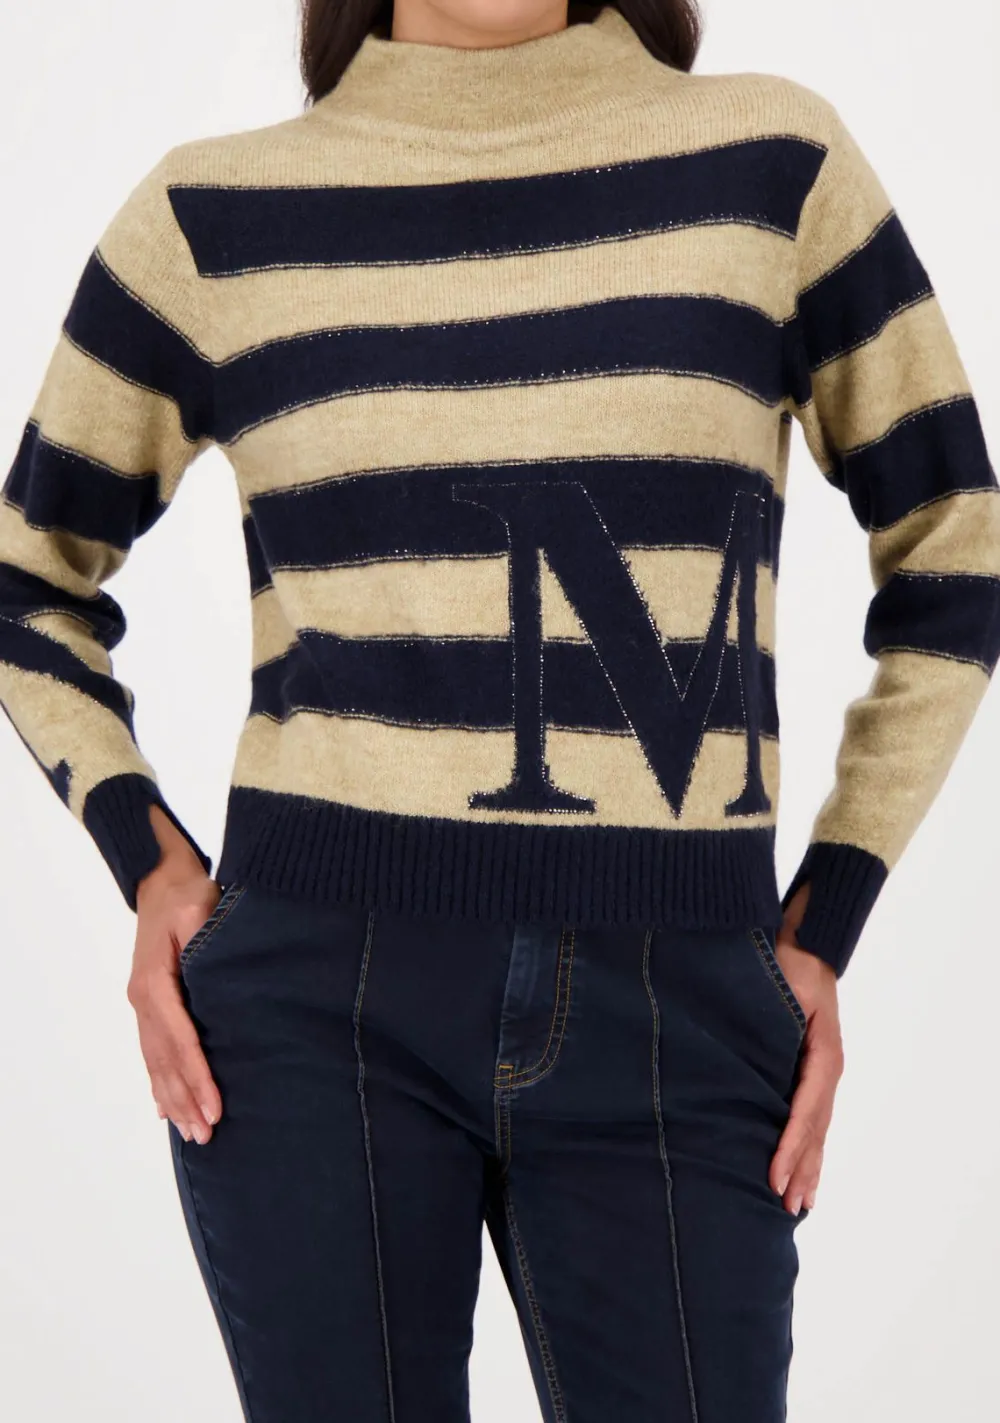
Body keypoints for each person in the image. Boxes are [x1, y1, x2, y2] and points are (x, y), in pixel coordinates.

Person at [1, 0, 997, 1418]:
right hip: (312, 1013)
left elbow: (957, 546)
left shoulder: (774, 166)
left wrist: (827, 913)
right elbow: (27, 576)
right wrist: (145, 857)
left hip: (683, 1000)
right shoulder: (213, 216)